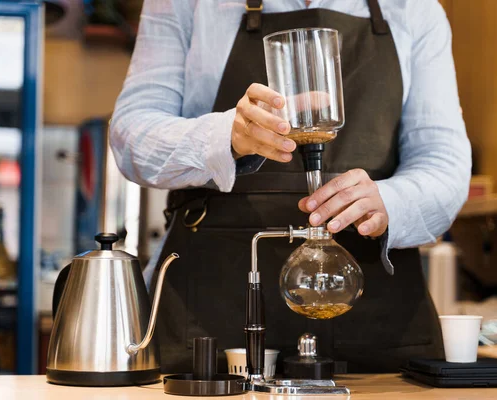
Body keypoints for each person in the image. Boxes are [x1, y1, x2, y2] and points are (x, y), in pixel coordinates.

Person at [110, 0, 471, 373]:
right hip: (210, 325)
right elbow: (130, 136)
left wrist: (389, 202)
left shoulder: (415, 9)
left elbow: (444, 163)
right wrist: (227, 136)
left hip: (376, 338)